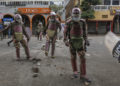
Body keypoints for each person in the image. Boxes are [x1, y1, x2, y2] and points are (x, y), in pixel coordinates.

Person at [64, 7, 91, 85]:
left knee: (83, 58)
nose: (76, 16)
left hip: (80, 43)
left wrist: (86, 40)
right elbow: (65, 32)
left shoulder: (83, 22)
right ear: (72, 14)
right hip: (72, 42)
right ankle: (75, 71)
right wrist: (65, 40)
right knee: (73, 57)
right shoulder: (69, 22)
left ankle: (83, 74)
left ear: (80, 14)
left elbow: (85, 32)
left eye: (77, 14)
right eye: (75, 14)